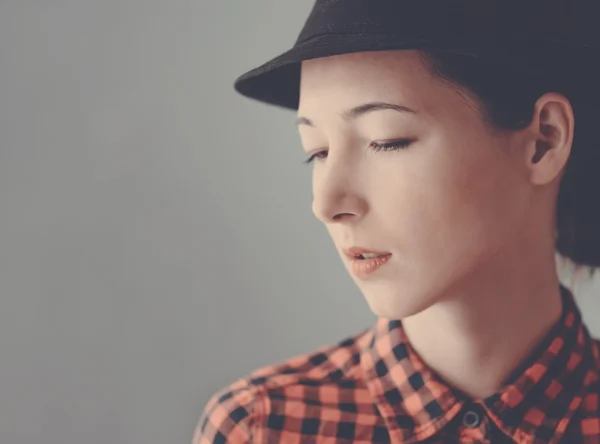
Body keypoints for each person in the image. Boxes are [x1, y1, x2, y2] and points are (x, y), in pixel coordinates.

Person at [194, 1, 600, 442]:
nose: (327, 203)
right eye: (317, 151)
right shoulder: (263, 426)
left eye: (386, 141)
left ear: (544, 140)